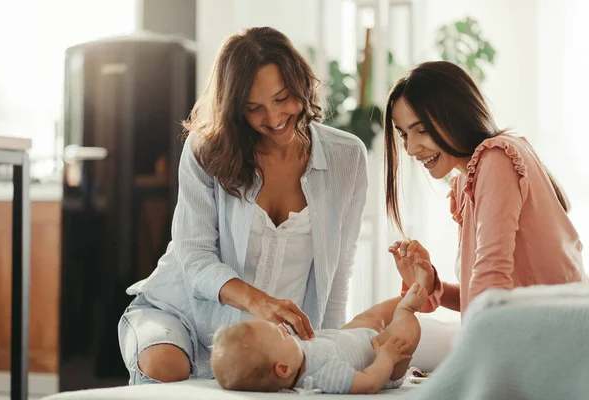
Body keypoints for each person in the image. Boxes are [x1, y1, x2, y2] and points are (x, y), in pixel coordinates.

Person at [117, 26, 369, 384]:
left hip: (263, 341)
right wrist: (259, 302)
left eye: (282, 98)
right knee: (165, 367)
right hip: (184, 314)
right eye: (254, 108)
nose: (274, 118)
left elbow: (338, 270)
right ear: (236, 109)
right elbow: (195, 257)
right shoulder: (207, 151)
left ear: (301, 84)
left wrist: (327, 350)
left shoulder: (348, 157)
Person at [384, 60, 587, 315]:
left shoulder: (496, 159)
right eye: (403, 134)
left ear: (456, 116)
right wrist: (432, 284)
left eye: (422, 130)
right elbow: (484, 299)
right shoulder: (466, 180)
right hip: (533, 329)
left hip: (554, 336)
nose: (411, 149)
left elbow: (490, 284)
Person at [211, 282, 429, 394]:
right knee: (406, 330)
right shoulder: (321, 376)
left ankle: (412, 290)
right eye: (281, 335)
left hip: (351, 335)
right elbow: (370, 384)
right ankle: (406, 309)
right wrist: (387, 359)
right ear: (283, 369)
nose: (286, 331)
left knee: (367, 317)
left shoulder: (290, 355)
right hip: (378, 354)